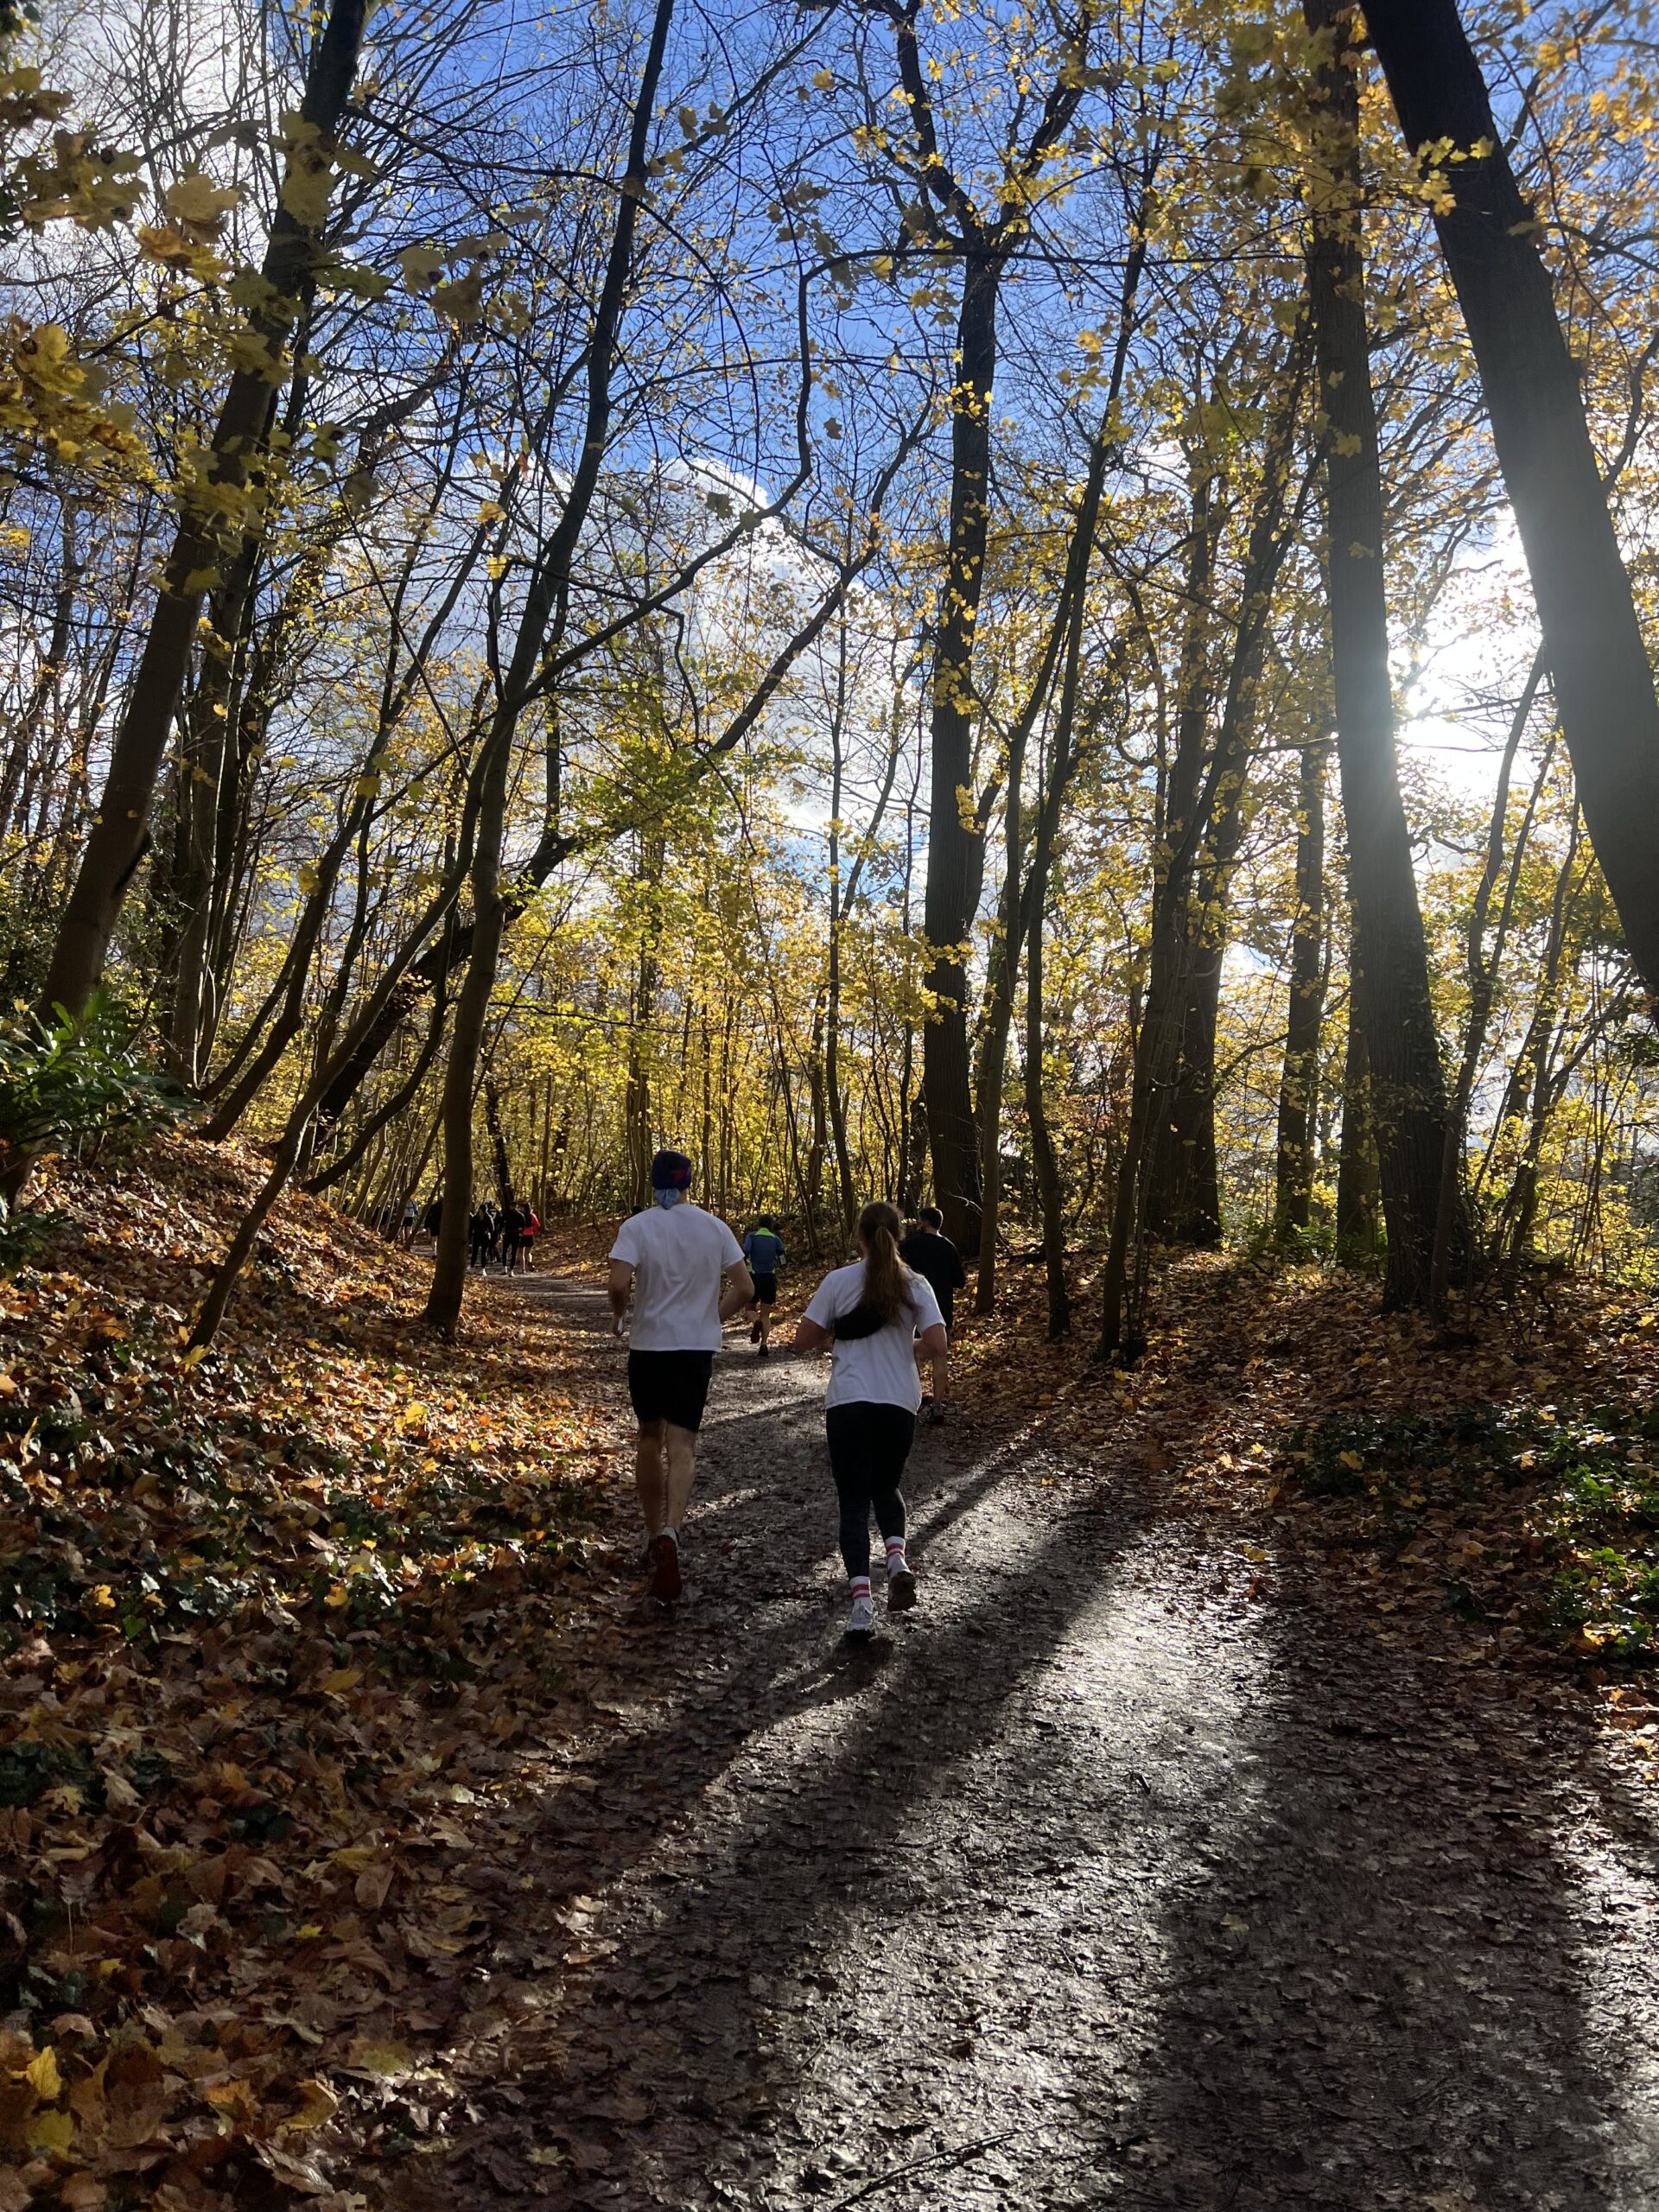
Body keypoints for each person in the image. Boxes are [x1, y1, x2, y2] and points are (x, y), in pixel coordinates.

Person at [793, 1200, 948, 1644]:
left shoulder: (838, 1281)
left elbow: (803, 1340)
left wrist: (836, 1332)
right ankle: (896, 1560)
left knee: (854, 1502)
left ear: (859, 1235)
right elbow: (938, 1343)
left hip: (849, 1402)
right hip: (898, 1402)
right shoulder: (915, 1283)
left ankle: (862, 1608)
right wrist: (907, 1348)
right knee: (886, 1486)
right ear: (899, 1235)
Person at [608, 1150, 753, 1603]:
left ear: (653, 1182)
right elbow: (746, 1288)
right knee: (683, 1443)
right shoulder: (715, 1228)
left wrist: (620, 1316)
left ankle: (653, 1534)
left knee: (649, 1437)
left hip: (648, 1347)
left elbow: (617, 1284)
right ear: (690, 1181)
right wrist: (711, 1318)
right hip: (694, 1350)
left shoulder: (637, 1227)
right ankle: (673, 1529)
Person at [899, 1205, 966, 1423]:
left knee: (911, 1351)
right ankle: (937, 1405)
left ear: (925, 1222)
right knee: (940, 1354)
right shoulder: (949, 1247)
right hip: (942, 1308)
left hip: (913, 1306)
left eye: (920, 1220)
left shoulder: (909, 1245)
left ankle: (913, 1398)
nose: (917, 1224)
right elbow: (960, 1281)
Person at [741, 1215, 786, 1356]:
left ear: (759, 1225)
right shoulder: (776, 1239)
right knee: (766, 1314)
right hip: (770, 1278)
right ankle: (764, 1344)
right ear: (771, 1226)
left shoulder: (752, 1236)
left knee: (749, 1308)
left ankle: (756, 1321)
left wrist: (742, 1265)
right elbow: (783, 1258)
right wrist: (780, 1265)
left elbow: (745, 1252)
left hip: (754, 1277)